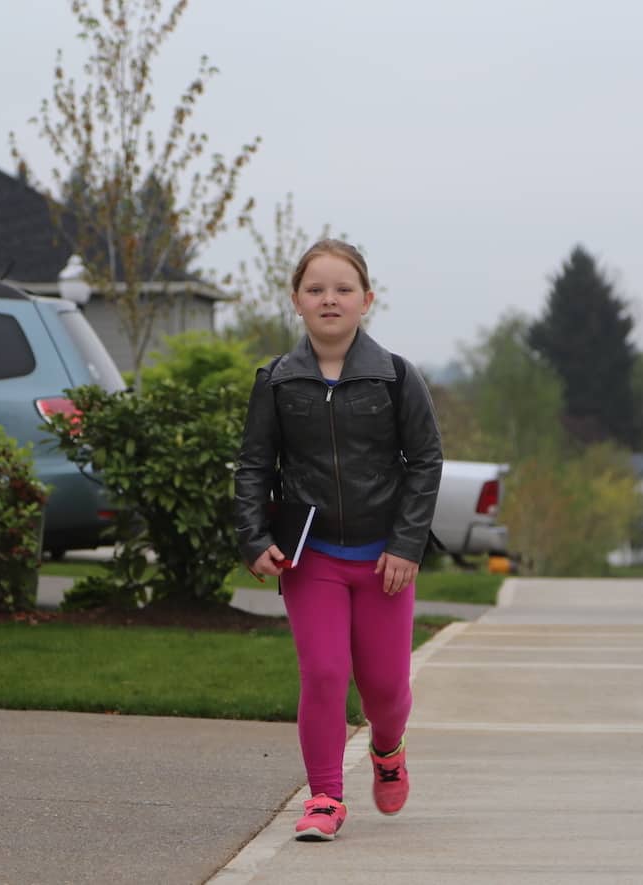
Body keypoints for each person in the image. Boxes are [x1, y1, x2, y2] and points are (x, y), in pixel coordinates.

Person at [234, 238, 443, 841]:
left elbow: (426, 461)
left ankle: (388, 749)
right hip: (313, 557)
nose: (330, 299)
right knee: (324, 674)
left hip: (384, 560)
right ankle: (325, 798)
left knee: (384, 689)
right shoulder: (276, 381)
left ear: (366, 300)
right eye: (316, 289)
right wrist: (253, 539)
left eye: (343, 289)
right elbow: (253, 466)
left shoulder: (397, 376)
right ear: (296, 302)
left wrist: (406, 545)